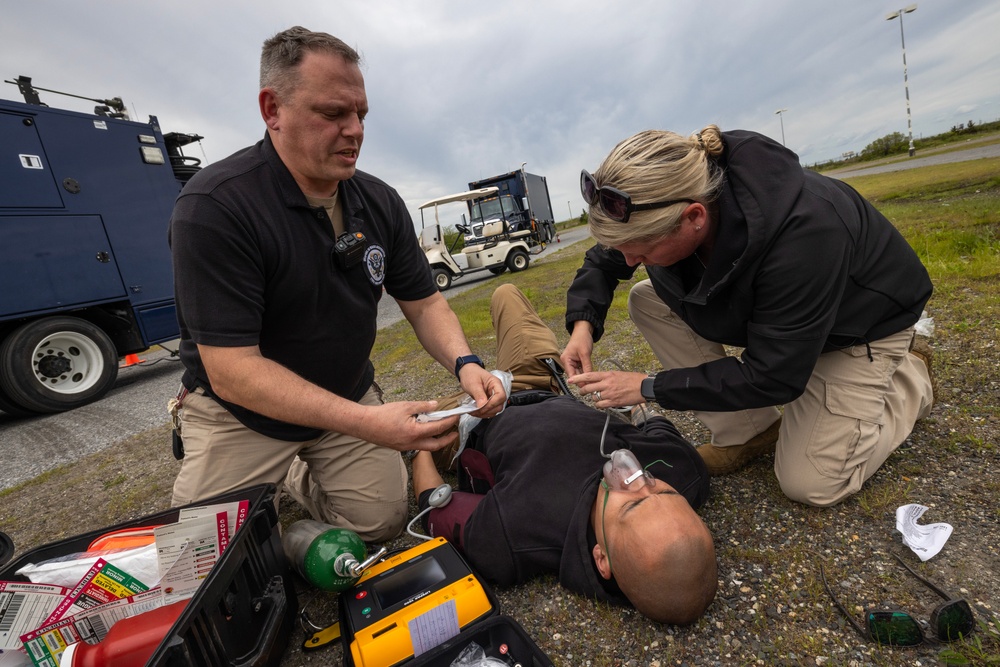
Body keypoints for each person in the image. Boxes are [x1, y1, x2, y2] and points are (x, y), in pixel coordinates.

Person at [167, 26, 505, 542]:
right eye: (332, 114)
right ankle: (276, 473)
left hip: (344, 393)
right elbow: (233, 372)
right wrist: (369, 424)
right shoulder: (215, 208)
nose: (354, 131)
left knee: (385, 524)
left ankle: (300, 472)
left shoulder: (378, 201)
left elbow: (425, 302)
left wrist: (466, 363)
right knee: (199, 561)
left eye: (361, 114)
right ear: (271, 109)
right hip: (241, 413)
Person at [561, 126, 934, 508]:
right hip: (782, 322)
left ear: (694, 217)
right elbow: (605, 260)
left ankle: (909, 376)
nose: (629, 262)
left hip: (856, 329)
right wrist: (582, 326)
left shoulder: (806, 232)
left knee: (812, 483)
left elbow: (773, 375)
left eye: (642, 251)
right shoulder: (657, 206)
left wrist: (647, 387)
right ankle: (751, 430)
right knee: (646, 298)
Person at [411, 284, 716, 625]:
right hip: (542, 380)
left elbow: (433, 505)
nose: (637, 477)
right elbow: (655, 424)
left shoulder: (514, 536)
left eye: (632, 503)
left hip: (471, 416)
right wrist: (632, 404)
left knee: (392, 425)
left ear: (602, 559)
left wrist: (420, 443)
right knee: (507, 292)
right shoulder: (686, 471)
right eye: (662, 488)